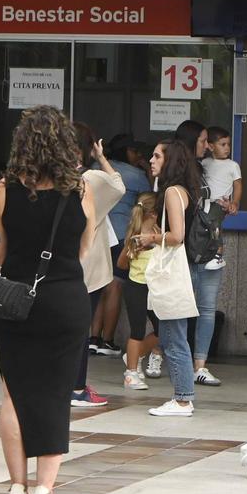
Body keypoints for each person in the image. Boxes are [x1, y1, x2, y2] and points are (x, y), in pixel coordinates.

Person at [0, 105, 96, 494]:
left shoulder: (5, 189)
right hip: (65, 299)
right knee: (55, 394)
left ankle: (16, 487)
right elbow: (84, 249)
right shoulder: (80, 190)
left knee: (13, 392)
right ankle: (44, 492)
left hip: (14, 300)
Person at [142, 138, 201, 417]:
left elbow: (176, 236)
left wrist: (150, 237)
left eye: (156, 156)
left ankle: (182, 399)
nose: (151, 161)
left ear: (170, 160)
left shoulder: (171, 193)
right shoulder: (183, 191)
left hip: (175, 271)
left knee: (174, 337)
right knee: (171, 335)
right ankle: (182, 397)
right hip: (182, 269)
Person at [71, 123, 124, 409]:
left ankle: (65, 384)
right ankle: (77, 388)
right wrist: (102, 157)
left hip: (61, 263)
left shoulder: (57, 177)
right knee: (81, 328)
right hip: (87, 265)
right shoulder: (90, 178)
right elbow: (119, 186)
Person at [91, 134, 151, 359]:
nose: (140, 156)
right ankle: (107, 340)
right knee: (115, 286)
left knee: (96, 287)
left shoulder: (95, 168)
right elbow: (149, 200)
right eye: (135, 151)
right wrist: (145, 169)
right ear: (126, 151)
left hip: (97, 235)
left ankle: (93, 338)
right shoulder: (135, 175)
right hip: (119, 235)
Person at [176, 119, 224, 387]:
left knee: (206, 308)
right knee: (182, 308)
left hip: (209, 246)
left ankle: (200, 365)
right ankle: (167, 355)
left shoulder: (203, 169)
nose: (207, 146)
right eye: (204, 140)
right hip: (187, 249)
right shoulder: (179, 173)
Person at [116, 192, 160, 391]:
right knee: (137, 331)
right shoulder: (135, 236)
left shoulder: (158, 232)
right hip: (136, 286)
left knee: (162, 330)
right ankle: (131, 373)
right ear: (153, 214)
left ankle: (134, 355)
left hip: (155, 287)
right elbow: (121, 264)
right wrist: (133, 252)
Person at [202, 126, 240, 272]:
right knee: (208, 226)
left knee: (215, 223)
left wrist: (234, 202)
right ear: (211, 146)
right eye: (223, 144)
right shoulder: (205, 163)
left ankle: (218, 256)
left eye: (228, 144)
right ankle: (207, 251)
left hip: (221, 203)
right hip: (204, 203)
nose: (227, 148)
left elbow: (238, 185)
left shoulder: (232, 165)